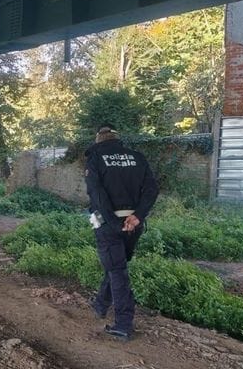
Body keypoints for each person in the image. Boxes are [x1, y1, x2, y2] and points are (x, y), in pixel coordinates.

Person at [84, 124, 159, 341]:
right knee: (116, 265)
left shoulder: (96, 159)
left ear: (98, 140)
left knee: (117, 270)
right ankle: (100, 304)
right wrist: (138, 216)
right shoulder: (137, 157)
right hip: (133, 224)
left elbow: (97, 195)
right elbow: (151, 189)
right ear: (117, 140)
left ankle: (123, 324)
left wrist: (113, 223)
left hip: (108, 223)